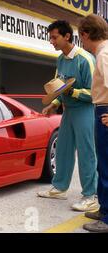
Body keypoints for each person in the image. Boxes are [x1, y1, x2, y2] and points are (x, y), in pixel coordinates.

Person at [38, 20, 98, 212]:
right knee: (63, 149)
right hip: (68, 111)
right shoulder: (60, 60)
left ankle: (91, 195)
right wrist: (54, 104)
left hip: (85, 111)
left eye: (54, 37)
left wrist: (72, 93)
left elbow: (95, 94)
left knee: (86, 153)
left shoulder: (85, 59)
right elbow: (59, 87)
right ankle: (60, 187)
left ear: (66, 37)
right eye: (50, 37)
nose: (51, 41)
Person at [77, 14, 108, 233]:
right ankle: (104, 209)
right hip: (103, 108)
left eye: (81, 37)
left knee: (106, 165)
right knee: (102, 164)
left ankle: (106, 218)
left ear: (86, 34)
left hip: (105, 110)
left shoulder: (103, 54)